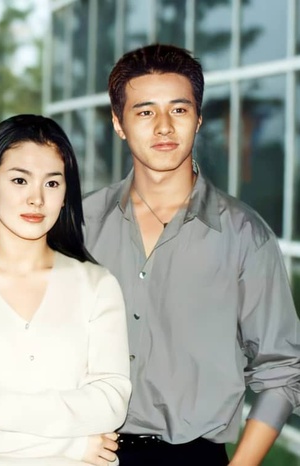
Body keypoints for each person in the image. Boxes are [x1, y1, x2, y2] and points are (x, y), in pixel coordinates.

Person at [82, 43, 300, 465]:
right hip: (84, 452)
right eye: (145, 112)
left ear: (198, 119)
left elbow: (283, 369)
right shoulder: (79, 224)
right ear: (118, 123)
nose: (164, 126)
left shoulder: (244, 235)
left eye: (179, 110)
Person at [0, 114, 132, 466]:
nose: (37, 199)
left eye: (52, 183)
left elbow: (110, 404)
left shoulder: (98, 285)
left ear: (65, 194)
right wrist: (73, 446)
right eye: (20, 180)